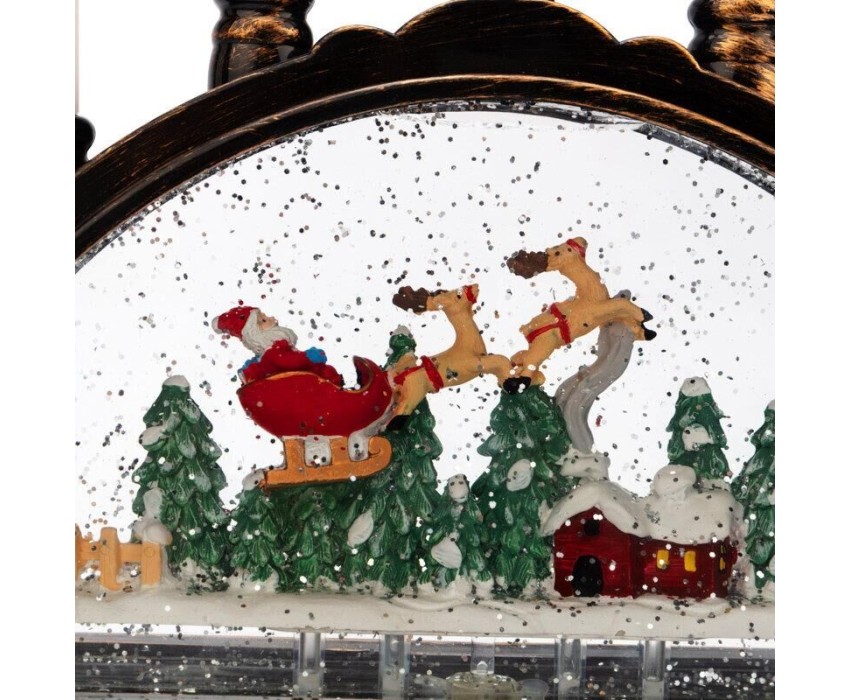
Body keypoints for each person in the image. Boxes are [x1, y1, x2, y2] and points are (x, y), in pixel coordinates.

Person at [212, 305, 342, 385]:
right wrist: (308, 357)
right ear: (255, 334)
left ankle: (337, 388)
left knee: (326, 372)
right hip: (302, 386)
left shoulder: (276, 349)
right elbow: (287, 362)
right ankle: (337, 392)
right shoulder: (273, 352)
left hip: (305, 382)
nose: (272, 318)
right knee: (325, 373)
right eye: (263, 320)